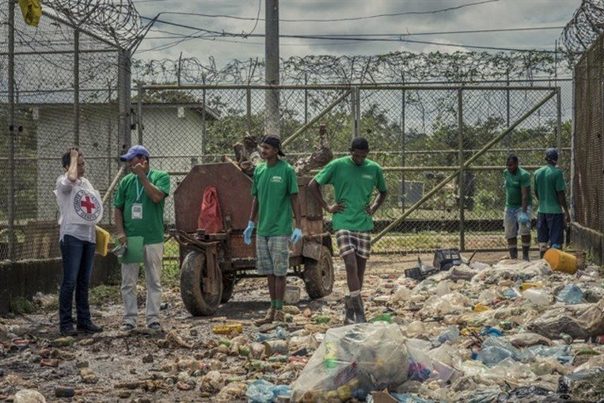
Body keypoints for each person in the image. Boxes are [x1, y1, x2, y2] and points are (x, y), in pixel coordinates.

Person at [309, 137, 387, 324]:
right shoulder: (337, 165)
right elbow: (313, 185)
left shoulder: (374, 168)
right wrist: (328, 207)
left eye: (363, 156)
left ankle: (350, 305)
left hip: (363, 222)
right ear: (350, 151)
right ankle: (359, 309)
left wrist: (374, 207)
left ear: (367, 154)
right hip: (343, 221)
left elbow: (383, 191)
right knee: (350, 263)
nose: (359, 158)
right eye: (356, 155)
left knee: (359, 269)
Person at [244, 135, 302, 325]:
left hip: (280, 228)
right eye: (262, 147)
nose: (263, 151)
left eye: (267, 148)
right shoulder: (259, 170)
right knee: (269, 272)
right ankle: (272, 309)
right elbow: (256, 199)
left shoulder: (287, 170)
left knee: (280, 272)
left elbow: (294, 198)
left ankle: (279, 311)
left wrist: (298, 226)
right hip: (263, 229)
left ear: (276, 151)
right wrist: (251, 223)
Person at [114, 145, 170, 331]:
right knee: (128, 282)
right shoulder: (126, 182)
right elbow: (118, 208)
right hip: (131, 239)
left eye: (132, 160)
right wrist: (121, 233)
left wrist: (143, 177)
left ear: (143, 160)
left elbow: (156, 197)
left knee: (153, 280)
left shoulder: (161, 176)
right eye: (128, 161)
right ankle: (130, 318)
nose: (129, 164)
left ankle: (152, 318)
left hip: (153, 238)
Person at [54, 148, 104, 336]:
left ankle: (84, 320)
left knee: (84, 281)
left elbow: (91, 209)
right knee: (70, 281)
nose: (82, 167)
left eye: (83, 163)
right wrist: (73, 157)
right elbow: (71, 179)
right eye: (78, 164)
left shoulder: (87, 183)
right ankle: (65, 323)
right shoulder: (63, 182)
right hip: (71, 236)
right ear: (68, 166)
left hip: (88, 237)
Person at [534, 148, 571, 258]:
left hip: (541, 210)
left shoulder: (537, 173)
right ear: (556, 159)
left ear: (546, 158)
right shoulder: (557, 173)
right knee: (556, 241)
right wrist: (566, 211)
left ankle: (542, 262)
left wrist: (542, 202)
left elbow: (536, 192)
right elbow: (560, 194)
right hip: (555, 211)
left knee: (542, 240)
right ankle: (555, 263)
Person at [503, 154, 532, 261]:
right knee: (510, 232)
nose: (509, 167)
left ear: (516, 164)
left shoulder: (524, 175)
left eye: (511, 165)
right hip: (510, 206)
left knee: (524, 230)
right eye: (507, 165)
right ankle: (513, 258)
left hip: (522, 206)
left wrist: (524, 212)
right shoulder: (505, 173)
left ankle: (525, 256)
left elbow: (525, 195)